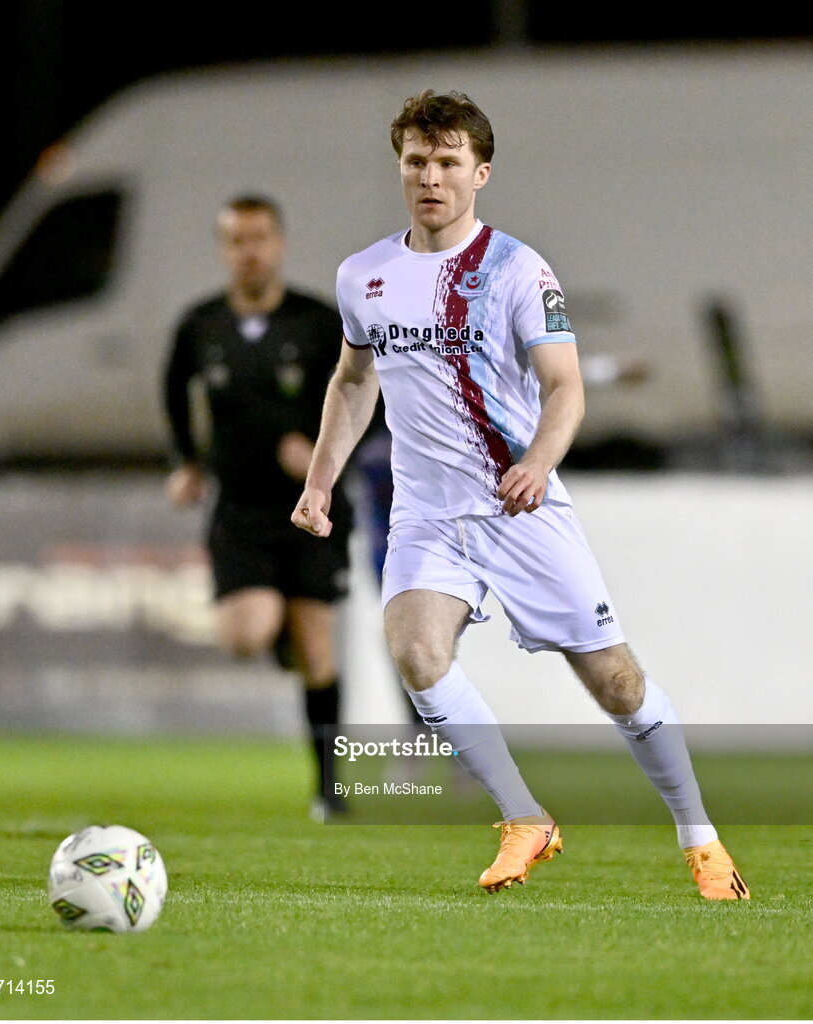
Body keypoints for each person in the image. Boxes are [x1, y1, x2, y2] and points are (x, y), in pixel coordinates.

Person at [292, 90, 750, 899]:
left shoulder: (516, 268)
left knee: (617, 683)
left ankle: (699, 835)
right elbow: (353, 379)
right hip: (428, 513)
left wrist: (538, 461)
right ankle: (523, 818)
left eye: (447, 162)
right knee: (415, 650)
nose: (429, 177)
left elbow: (565, 386)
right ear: (400, 166)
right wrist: (321, 479)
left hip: (518, 505)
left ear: (480, 172)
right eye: (415, 162)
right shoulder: (364, 276)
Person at [164, 194, 352, 821]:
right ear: (223, 249)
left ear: (280, 243)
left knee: (318, 649)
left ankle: (329, 790)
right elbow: (173, 391)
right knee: (246, 634)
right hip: (240, 509)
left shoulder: (320, 324)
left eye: (260, 237)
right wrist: (186, 462)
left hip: (312, 506)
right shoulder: (200, 326)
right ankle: (276, 636)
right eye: (236, 240)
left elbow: (366, 399)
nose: (250, 251)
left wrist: (325, 454)